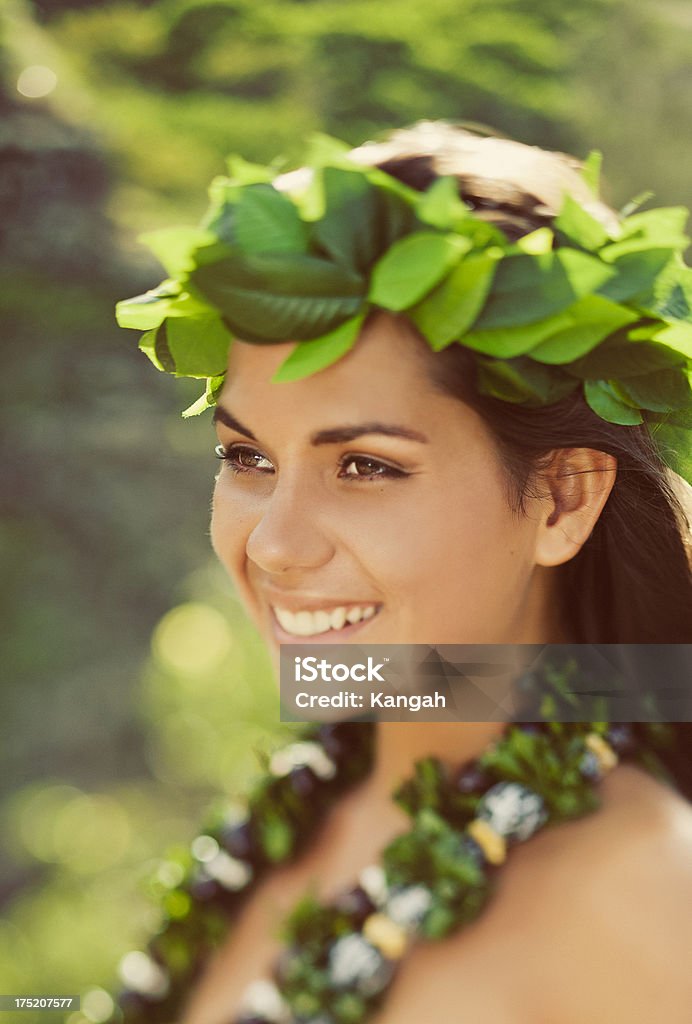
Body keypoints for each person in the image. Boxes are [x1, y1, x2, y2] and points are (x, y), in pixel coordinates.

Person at [114, 122, 692, 1024]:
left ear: (563, 500)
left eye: (366, 466)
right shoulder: (308, 809)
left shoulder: (631, 899)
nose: (273, 545)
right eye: (247, 457)